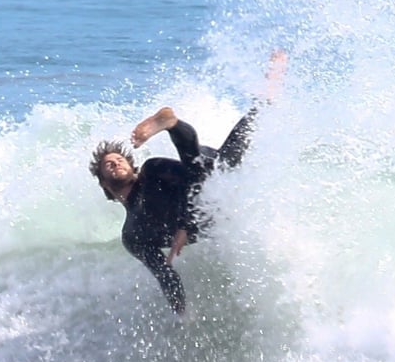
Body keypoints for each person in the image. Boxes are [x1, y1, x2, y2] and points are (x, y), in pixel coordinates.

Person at [88, 51, 286, 315]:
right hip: (213, 206)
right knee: (250, 125)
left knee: (202, 165)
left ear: (131, 166)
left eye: (120, 159)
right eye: (108, 165)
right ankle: (268, 90)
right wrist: (181, 312)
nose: (115, 163)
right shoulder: (133, 235)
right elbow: (164, 274)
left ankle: (171, 124)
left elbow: (195, 179)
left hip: (206, 175)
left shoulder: (151, 171)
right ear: (103, 184)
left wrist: (185, 224)